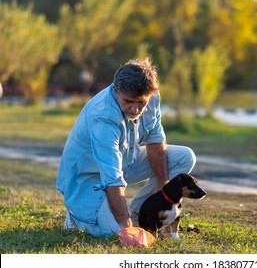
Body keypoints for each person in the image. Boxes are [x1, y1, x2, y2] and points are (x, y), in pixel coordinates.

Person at [56, 58, 196, 246]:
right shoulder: (104, 116)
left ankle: (140, 214)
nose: (135, 109)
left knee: (184, 157)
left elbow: (155, 141)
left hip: (123, 162)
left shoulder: (151, 97)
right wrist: (125, 226)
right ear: (116, 91)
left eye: (141, 103)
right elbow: (112, 177)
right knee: (115, 233)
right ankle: (78, 215)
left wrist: (162, 189)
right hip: (87, 178)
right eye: (128, 101)